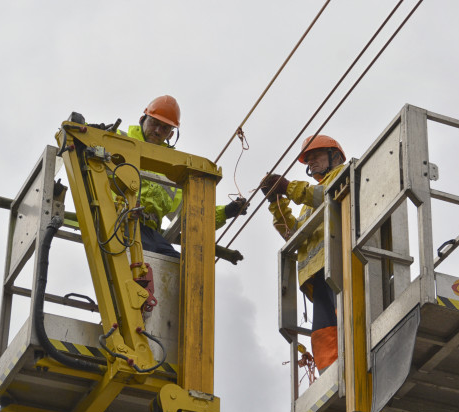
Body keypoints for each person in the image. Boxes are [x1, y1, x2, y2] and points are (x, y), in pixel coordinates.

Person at [260, 135, 347, 373]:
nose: (311, 164)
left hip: (341, 267)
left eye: (315, 156)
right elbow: (293, 234)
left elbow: (326, 196)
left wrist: (288, 188)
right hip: (316, 277)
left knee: (346, 320)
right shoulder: (309, 202)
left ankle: (352, 365)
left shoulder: (346, 173)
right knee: (323, 332)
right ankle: (331, 375)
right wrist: (276, 204)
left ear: (335, 156)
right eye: (308, 160)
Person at [123, 95, 248, 258]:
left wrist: (225, 212)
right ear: (142, 119)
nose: (157, 131)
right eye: (154, 123)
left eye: (165, 128)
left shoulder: (171, 170)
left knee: (179, 266)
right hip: (119, 222)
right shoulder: (119, 142)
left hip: (149, 233)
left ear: (171, 135)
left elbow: (191, 215)